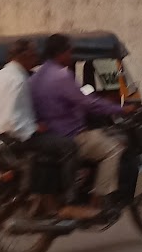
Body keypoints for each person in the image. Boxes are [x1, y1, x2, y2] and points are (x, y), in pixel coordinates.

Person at [0, 38, 77, 217]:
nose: (36, 59)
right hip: (19, 138)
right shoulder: (19, 80)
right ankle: (69, 198)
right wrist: (32, 128)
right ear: (24, 56)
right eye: (33, 55)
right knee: (69, 147)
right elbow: (14, 119)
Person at [29, 34, 130, 217]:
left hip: (50, 136)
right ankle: (98, 200)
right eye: (69, 50)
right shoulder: (61, 76)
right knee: (113, 149)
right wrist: (119, 109)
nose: (71, 54)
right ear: (60, 53)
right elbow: (88, 103)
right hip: (71, 135)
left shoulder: (36, 77)